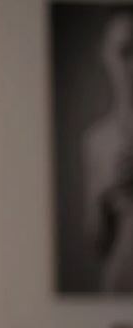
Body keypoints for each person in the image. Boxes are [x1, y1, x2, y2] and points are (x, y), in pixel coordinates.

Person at [81, 6, 133, 292]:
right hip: (119, 283)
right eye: (124, 52)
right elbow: (96, 244)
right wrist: (105, 193)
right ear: (106, 56)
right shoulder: (96, 140)